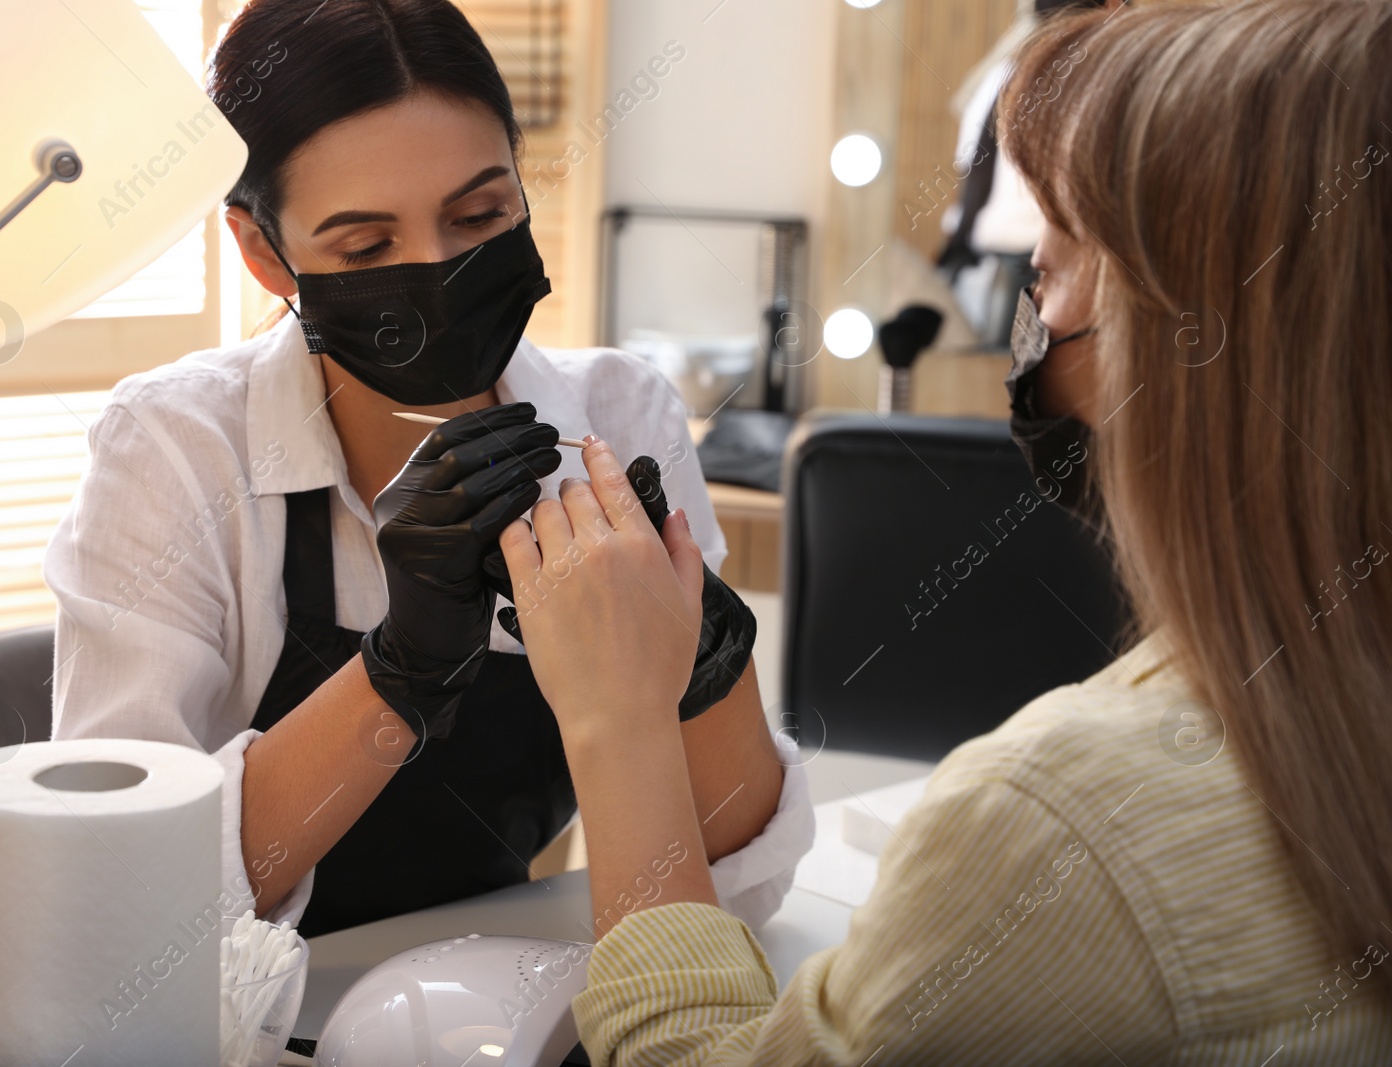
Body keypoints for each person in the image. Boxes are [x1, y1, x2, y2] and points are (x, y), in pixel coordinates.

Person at [498, 0, 1392, 1061]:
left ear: (1180, 342)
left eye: (1048, 273)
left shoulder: (1058, 825)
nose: (1033, 317)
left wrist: (619, 718)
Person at [43, 0, 812, 939]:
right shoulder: (177, 447)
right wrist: (401, 669)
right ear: (261, 249)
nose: (439, 271)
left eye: (480, 212)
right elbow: (117, 898)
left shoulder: (619, 417)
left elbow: (745, 884)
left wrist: (698, 653)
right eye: (367, 247)